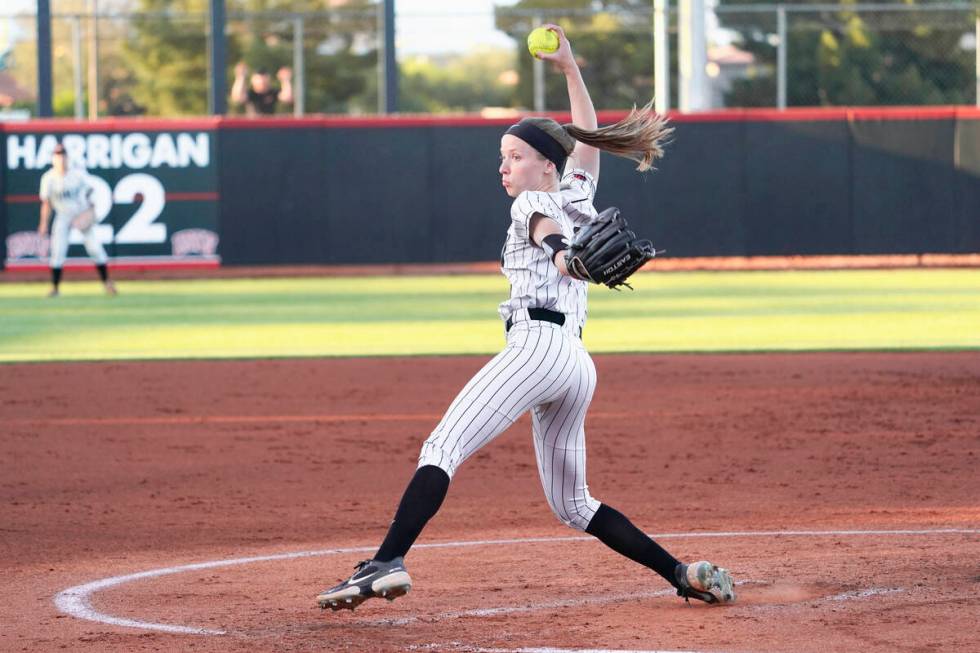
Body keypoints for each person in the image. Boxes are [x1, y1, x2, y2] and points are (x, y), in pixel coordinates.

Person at [316, 25, 735, 612]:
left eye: (515, 157)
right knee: (574, 506)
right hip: (577, 365)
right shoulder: (580, 195)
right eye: (502, 158)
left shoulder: (535, 202)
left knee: (442, 447)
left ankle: (385, 561)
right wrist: (569, 68)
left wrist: (565, 255)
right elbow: (585, 143)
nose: (504, 167)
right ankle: (681, 573)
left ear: (545, 167)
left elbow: (549, 234)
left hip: (537, 349)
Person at [37, 143, 116, 298]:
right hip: (63, 216)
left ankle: (107, 283)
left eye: (63, 155)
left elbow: (92, 195)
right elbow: (46, 203)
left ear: (67, 157)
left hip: (80, 213)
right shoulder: (48, 178)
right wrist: (44, 223)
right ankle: (55, 288)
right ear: (53, 159)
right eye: (57, 156)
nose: (60, 159)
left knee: (94, 248)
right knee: (58, 251)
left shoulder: (77, 175)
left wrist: (89, 214)